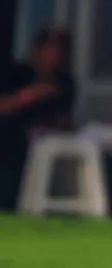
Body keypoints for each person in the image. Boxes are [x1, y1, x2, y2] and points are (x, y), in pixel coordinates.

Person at [0, 27, 75, 210]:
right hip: (10, 137)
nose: (53, 56)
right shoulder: (18, 74)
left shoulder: (65, 82)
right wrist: (29, 95)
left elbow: (64, 118)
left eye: (58, 51)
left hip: (43, 141)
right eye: (49, 49)